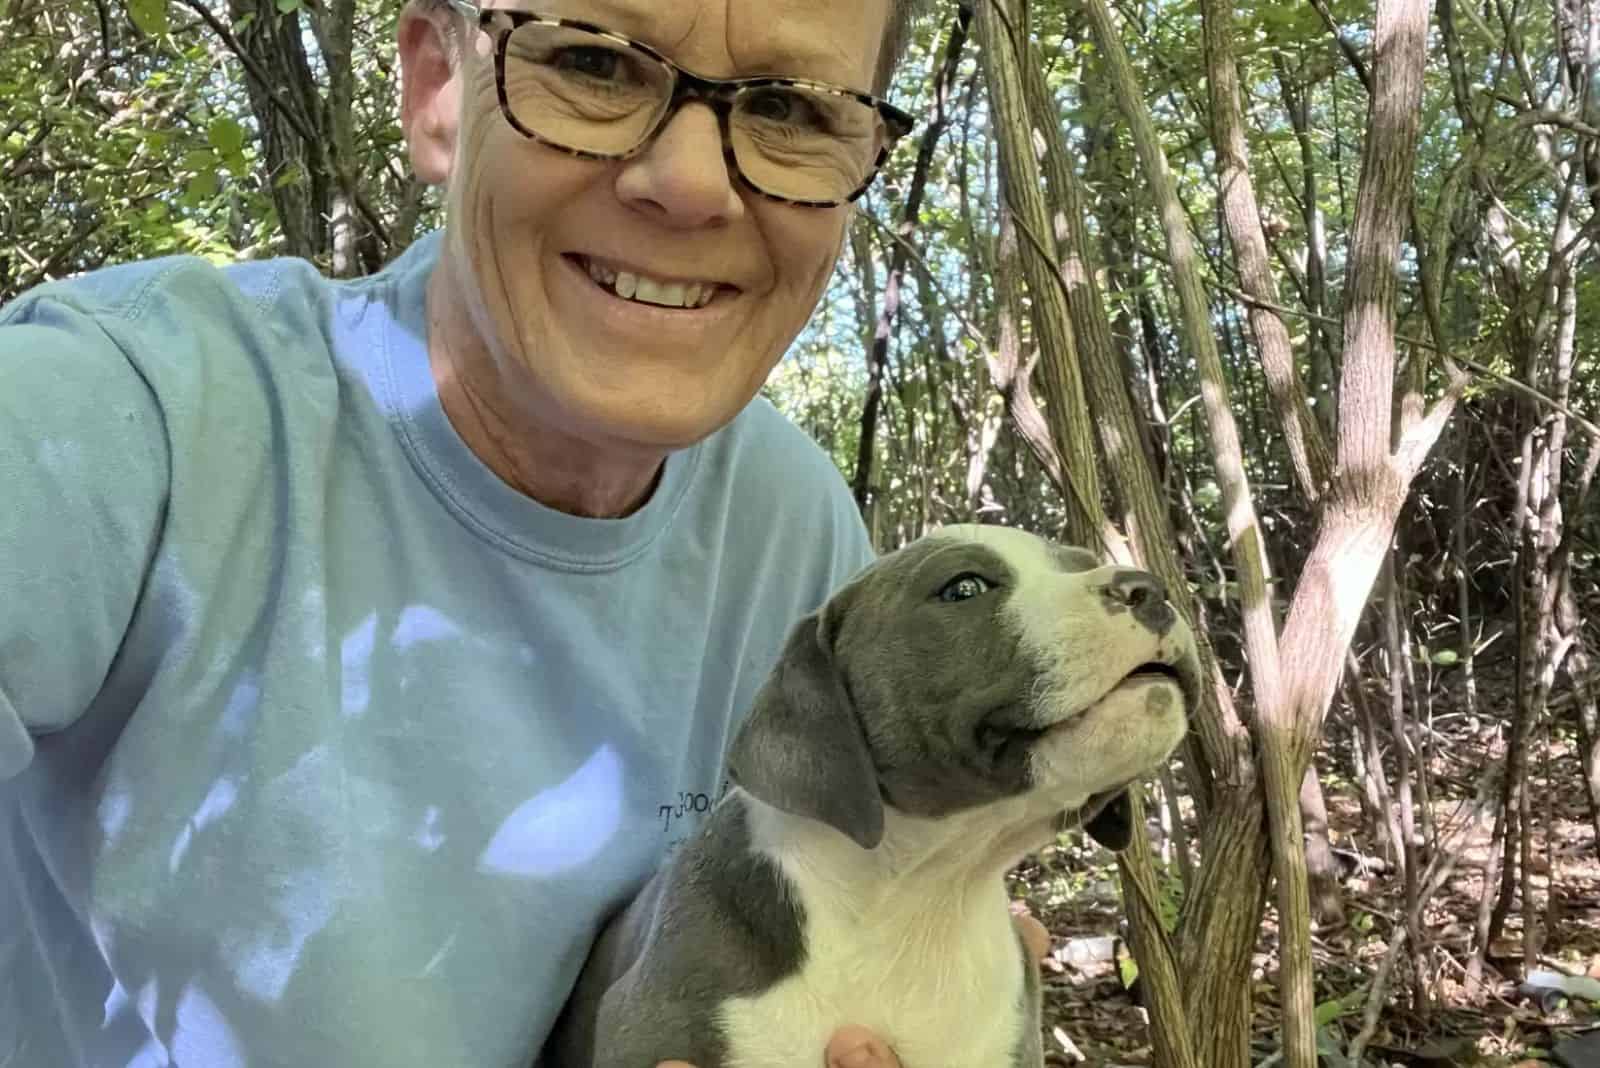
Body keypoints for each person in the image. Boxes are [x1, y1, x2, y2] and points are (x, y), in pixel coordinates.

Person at [0, 0, 1042, 1064]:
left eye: (791, 108)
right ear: (439, 91)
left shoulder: (790, 525)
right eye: (594, 64)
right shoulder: (131, 418)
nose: (689, 184)